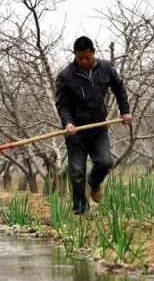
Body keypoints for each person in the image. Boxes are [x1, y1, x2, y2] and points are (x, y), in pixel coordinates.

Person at [55, 36, 133, 215]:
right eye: (79, 57)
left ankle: (93, 183)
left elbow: (119, 88)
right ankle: (80, 212)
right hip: (75, 132)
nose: (83, 61)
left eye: (87, 57)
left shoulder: (105, 68)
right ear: (75, 54)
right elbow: (62, 104)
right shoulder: (66, 76)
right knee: (76, 172)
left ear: (93, 53)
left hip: (98, 127)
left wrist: (125, 110)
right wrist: (68, 122)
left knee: (105, 162)